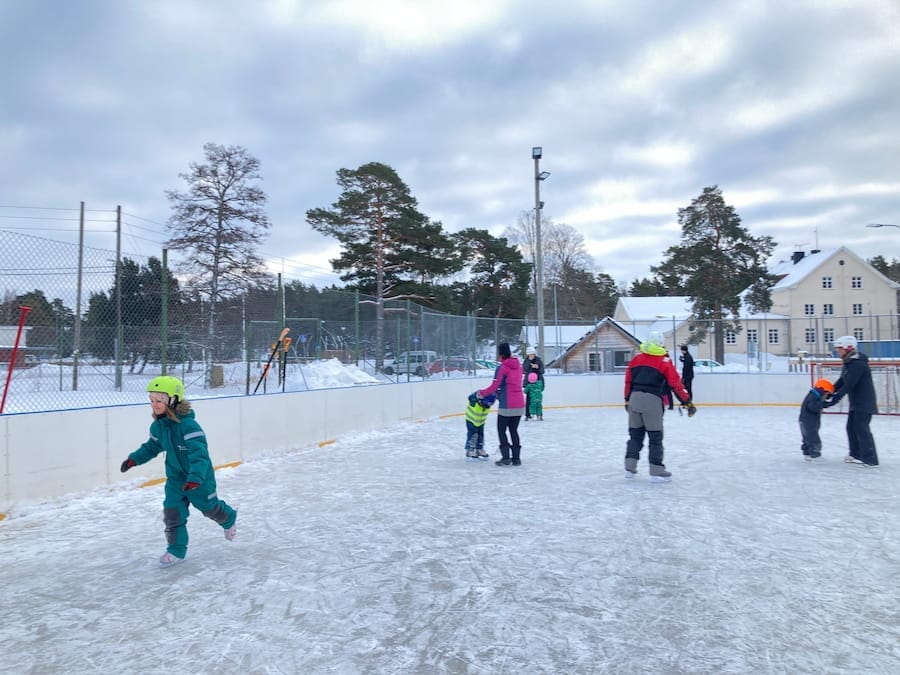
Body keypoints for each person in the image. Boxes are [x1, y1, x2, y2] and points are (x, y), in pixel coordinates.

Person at [120, 376, 238, 567]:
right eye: (151, 400)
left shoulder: (189, 426)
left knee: (210, 509)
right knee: (172, 513)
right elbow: (152, 447)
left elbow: (199, 455)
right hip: (175, 479)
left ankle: (229, 517)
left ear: (173, 400)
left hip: (199, 479)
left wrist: (195, 478)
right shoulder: (159, 426)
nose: (154, 404)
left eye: (159, 400)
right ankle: (176, 550)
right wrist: (134, 459)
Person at [624, 332, 695, 482]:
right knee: (655, 437)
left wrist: (627, 400)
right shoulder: (664, 361)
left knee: (635, 435)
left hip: (634, 399)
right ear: (661, 344)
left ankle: (629, 468)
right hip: (652, 401)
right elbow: (675, 384)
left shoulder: (636, 359)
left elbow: (628, 382)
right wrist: (687, 402)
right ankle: (656, 471)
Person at [823, 335, 879, 466]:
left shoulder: (857, 364)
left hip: (864, 403)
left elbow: (849, 385)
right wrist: (830, 391)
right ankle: (856, 454)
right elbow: (842, 380)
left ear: (848, 348)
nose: (838, 351)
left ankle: (870, 459)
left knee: (861, 429)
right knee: (851, 428)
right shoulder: (849, 362)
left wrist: (834, 400)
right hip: (856, 403)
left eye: (840, 349)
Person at [478, 342, 526, 466]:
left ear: (501, 354)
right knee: (513, 430)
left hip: (507, 404)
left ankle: (506, 457)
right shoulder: (519, 366)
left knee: (501, 429)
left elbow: (495, 386)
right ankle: (516, 458)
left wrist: (481, 393)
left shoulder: (502, 367)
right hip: (520, 403)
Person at [799, 378, 834, 461]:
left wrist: (825, 404)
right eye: (827, 394)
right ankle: (815, 454)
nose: (826, 397)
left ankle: (807, 453)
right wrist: (824, 404)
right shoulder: (813, 396)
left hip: (806, 420)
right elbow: (813, 406)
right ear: (823, 390)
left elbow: (817, 404)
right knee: (813, 438)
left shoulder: (814, 395)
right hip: (808, 421)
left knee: (807, 437)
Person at [464, 392, 496, 461]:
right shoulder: (474, 401)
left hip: (480, 422)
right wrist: (477, 394)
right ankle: (470, 450)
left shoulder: (487, 404)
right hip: (471, 421)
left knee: (480, 435)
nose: (486, 406)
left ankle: (479, 449)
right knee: (473, 435)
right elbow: (470, 397)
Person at [523, 346, 545, 420]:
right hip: (529, 383)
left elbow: (542, 371)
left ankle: (539, 414)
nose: (531, 356)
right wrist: (529, 361)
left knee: (538, 400)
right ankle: (527, 414)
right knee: (528, 399)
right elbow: (524, 369)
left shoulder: (538, 360)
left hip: (538, 383)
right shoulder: (526, 361)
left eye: (533, 354)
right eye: (530, 354)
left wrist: (537, 367)